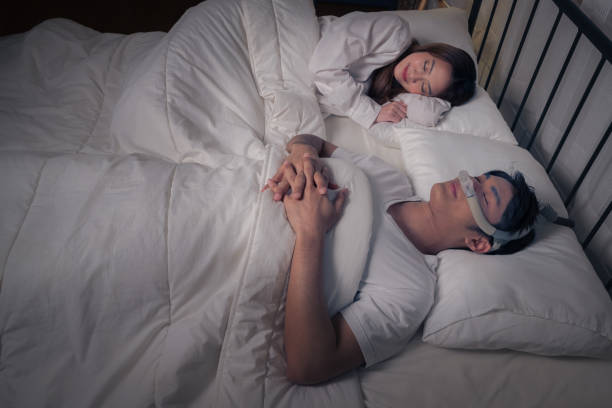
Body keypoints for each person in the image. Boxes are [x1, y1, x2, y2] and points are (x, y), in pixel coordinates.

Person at [263, 134, 539, 385]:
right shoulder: (389, 178)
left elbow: (310, 365)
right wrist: (304, 153)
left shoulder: (411, 290)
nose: (468, 182)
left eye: (483, 197)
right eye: (478, 179)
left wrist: (311, 233)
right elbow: (313, 142)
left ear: (478, 243)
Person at [309, 12, 477, 129]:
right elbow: (323, 66)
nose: (414, 76)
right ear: (430, 50)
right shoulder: (393, 31)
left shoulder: (383, 92)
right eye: (426, 65)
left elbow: (427, 113)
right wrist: (370, 113)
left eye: (424, 88)